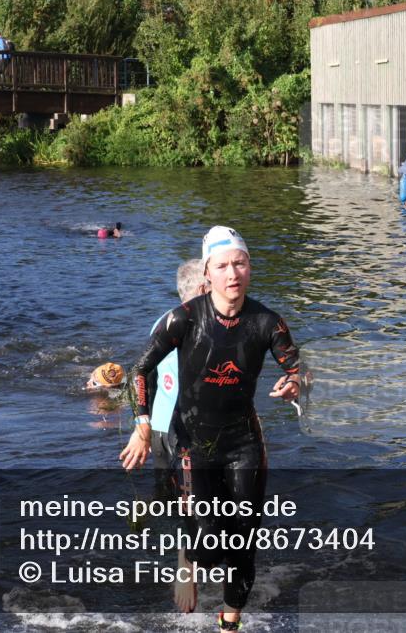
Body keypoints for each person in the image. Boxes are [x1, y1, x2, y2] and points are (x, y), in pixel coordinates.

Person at [128, 226, 301, 629]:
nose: (232, 273)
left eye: (239, 263)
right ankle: (191, 561)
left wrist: (293, 384)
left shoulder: (268, 323)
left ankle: (229, 620)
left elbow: (297, 369)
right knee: (206, 545)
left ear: (249, 267)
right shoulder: (183, 319)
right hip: (191, 442)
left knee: (243, 541)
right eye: (222, 265)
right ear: (208, 273)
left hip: (243, 442)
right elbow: (140, 369)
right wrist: (141, 424)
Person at [119, 259, 209, 486]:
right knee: (197, 505)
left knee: (166, 499)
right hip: (181, 431)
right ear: (202, 290)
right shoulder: (200, 326)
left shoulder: (163, 321)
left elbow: (146, 379)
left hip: (159, 428)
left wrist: (143, 426)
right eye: (213, 283)